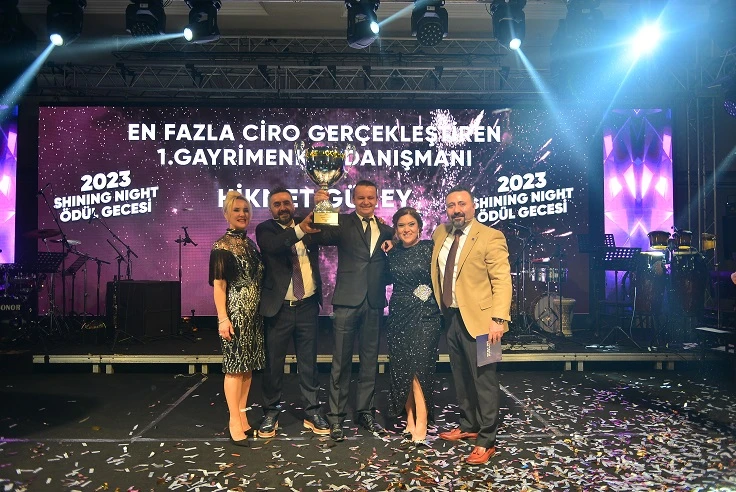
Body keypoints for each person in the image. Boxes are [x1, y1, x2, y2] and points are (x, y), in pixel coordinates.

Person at [430, 185, 512, 466]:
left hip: (485, 323)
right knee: (461, 376)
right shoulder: (440, 233)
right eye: (451, 205)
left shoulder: (490, 236)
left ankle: (487, 439)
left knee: (485, 380)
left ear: (473, 207)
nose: (457, 210)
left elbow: (502, 280)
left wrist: (499, 319)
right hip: (451, 317)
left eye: (462, 204)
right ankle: (469, 425)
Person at [314, 179, 394, 441]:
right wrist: (321, 207)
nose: (366, 202)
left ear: (377, 199)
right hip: (347, 301)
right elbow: (322, 236)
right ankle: (336, 417)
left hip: (374, 302)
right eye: (361, 198)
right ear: (353, 199)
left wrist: (393, 243)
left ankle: (365, 413)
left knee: (370, 362)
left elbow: (392, 254)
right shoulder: (343, 222)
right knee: (341, 362)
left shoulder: (386, 230)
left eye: (371, 197)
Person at [255, 186, 330, 437]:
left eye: (286, 203)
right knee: (273, 365)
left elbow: (332, 232)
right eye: (277, 204)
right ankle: (271, 412)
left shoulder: (307, 224)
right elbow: (275, 246)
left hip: (307, 306)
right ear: (270, 208)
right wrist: (300, 230)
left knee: (308, 363)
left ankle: (312, 411)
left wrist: (321, 206)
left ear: (293, 205)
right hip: (279, 310)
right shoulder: (265, 230)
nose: (282, 208)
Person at [209, 190, 265, 447]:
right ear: (226, 214)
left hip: (254, 315)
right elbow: (219, 286)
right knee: (234, 368)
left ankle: (242, 418)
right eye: (236, 210)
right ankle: (233, 421)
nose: (242, 214)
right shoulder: (221, 246)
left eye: (245, 210)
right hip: (236, 313)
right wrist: (223, 318)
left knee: (247, 367)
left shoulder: (250, 244)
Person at [385, 207, 442, 446]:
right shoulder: (392, 252)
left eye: (411, 224)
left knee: (419, 366)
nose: (406, 229)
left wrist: (423, 295)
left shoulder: (430, 248)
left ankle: (423, 419)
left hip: (426, 313)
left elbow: (439, 278)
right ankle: (409, 418)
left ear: (420, 226)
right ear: (395, 229)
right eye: (401, 225)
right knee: (401, 367)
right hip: (399, 313)